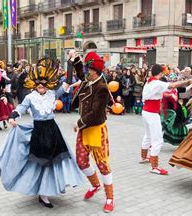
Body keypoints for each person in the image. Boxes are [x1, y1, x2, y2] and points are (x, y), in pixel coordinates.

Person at [0, 57, 84, 209]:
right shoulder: (30, 97)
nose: (41, 87)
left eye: (44, 84)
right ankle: (43, 194)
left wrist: (69, 63)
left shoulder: (52, 94)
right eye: (39, 84)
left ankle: (51, 188)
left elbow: (68, 82)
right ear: (35, 84)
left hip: (53, 131)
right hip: (39, 132)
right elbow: (21, 107)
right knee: (42, 163)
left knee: (56, 161)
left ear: (47, 84)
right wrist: (12, 116)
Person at [69, 51, 114, 213]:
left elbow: (95, 113)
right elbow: (80, 73)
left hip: (95, 130)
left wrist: (79, 122)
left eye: (88, 69)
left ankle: (110, 197)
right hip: (84, 130)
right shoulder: (88, 80)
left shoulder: (101, 88)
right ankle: (95, 185)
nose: (85, 72)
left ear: (94, 71)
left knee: (102, 165)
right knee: (81, 161)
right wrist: (75, 60)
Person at [140, 64, 192, 175]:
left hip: (146, 112)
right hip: (151, 113)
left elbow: (173, 86)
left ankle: (144, 157)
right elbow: (173, 85)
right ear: (160, 73)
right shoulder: (156, 83)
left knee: (148, 135)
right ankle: (154, 167)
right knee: (157, 140)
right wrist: (189, 80)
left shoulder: (149, 81)